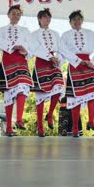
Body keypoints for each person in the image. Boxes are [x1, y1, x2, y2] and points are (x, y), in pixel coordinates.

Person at [60, 10, 94, 138]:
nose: (77, 21)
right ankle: (74, 127)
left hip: (89, 65)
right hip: (75, 65)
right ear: (70, 23)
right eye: (74, 20)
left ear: (82, 21)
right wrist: (78, 61)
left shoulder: (90, 33)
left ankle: (91, 121)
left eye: (79, 19)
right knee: (75, 97)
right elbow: (63, 51)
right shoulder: (66, 35)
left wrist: (93, 62)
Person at [0, 5, 33, 137]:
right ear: (8, 14)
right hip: (7, 61)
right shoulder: (0, 30)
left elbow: (31, 46)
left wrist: (25, 49)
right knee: (9, 94)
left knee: (23, 86)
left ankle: (20, 119)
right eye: (13, 13)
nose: (16, 16)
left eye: (18, 14)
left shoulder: (25, 30)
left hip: (21, 60)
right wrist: (11, 46)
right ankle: (9, 127)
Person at [30, 8, 65, 137]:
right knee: (39, 96)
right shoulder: (33, 34)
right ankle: (40, 127)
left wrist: (58, 59)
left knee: (58, 87)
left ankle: (50, 114)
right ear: (39, 19)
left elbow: (61, 49)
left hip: (54, 63)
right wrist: (49, 56)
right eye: (44, 17)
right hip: (41, 62)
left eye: (48, 17)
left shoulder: (56, 34)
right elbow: (34, 48)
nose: (46, 19)